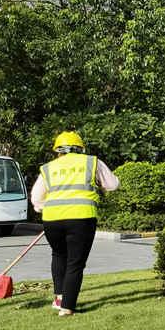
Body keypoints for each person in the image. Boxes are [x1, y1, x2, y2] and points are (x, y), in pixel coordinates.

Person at [29, 131, 119, 317]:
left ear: (58, 150)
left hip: (52, 219)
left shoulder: (48, 168)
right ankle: (67, 308)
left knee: (59, 255)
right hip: (81, 218)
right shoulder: (92, 162)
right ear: (80, 148)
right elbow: (112, 185)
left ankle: (59, 300)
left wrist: (41, 208)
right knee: (75, 263)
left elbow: (36, 198)